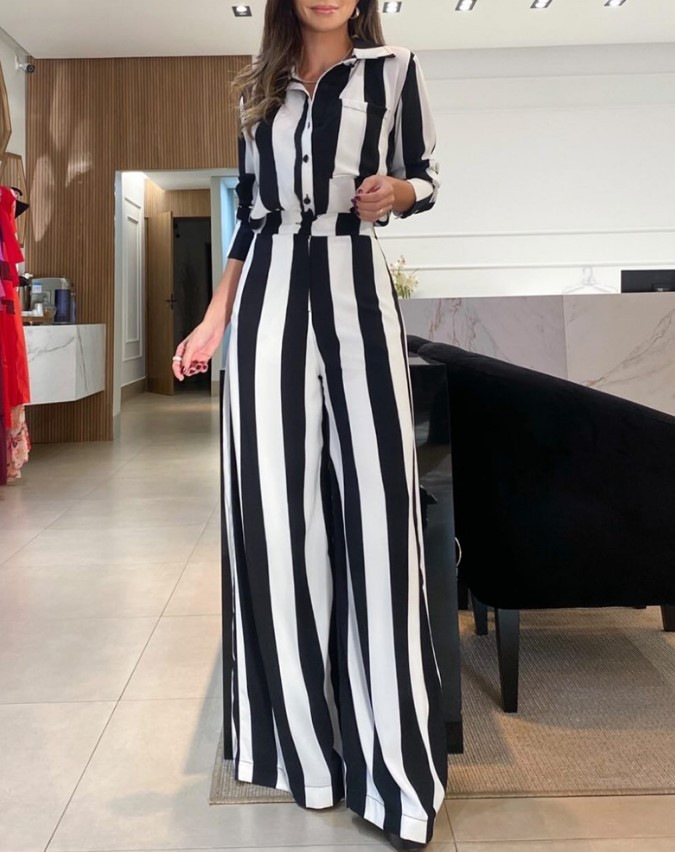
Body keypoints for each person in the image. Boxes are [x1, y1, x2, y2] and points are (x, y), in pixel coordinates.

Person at [172, 1, 446, 848]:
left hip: (356, 284)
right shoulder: (254, 86)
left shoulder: (393, 70)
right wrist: (213, 319)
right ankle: (302, 755)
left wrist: (397, 191)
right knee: (275, 522)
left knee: (380, 516)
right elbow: (250, 215)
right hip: (267, 298)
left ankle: (394, 771)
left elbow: (426, 177)